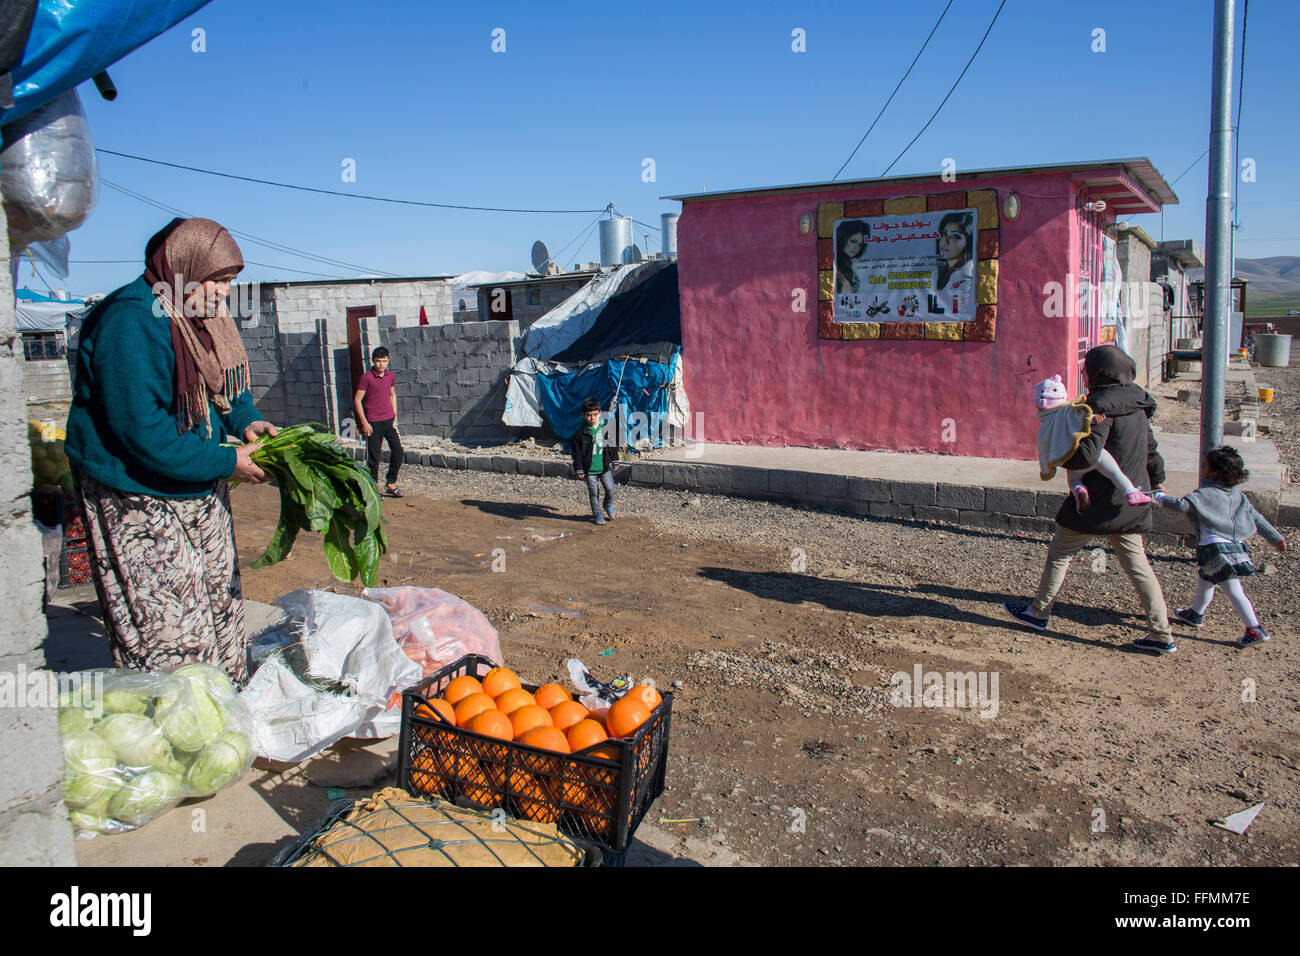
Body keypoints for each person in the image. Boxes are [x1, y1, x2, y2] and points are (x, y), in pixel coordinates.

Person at [64, 217, 276, 684]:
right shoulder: (131, 320)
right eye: (217, 281)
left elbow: (226, 388)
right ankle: (178, 718)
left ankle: (226, 697)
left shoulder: (202, 316)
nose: (224, 293)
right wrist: (226, 461)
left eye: (230, 282)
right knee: (169, 620)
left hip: (191, 474)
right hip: (136, 491)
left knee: (219, 598)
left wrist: (247, 422)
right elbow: (143, 435)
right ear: (183, 269)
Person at [1005, 345, 1176, 655]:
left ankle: (1038, 613)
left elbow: (1087, 453)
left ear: (1099, 373)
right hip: (1131, 499)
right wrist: (1159, 480)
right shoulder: (1138, 403)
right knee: (1139, 567)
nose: (1083, 374)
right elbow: (1151, 450)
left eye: (1086, 370)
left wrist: (1063, 455)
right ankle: (1161, 633)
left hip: (1096, 500)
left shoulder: (1100, 407)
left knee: (1060, 552)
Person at [1154, 447, 1288, 648]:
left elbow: (1182, 506)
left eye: (1205, 465)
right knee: (1206, 578)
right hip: (1234, 547)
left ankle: (1254, 628)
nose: (1202, 468)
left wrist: (1159, 497)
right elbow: (1257, 518)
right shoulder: (1238, 496)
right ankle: (1196, 613)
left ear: (1214, 473)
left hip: (1216, 549)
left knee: (1233, 588)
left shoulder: (1204, 494)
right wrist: (1275, 538)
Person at [1033, 373, 1153, 509]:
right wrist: (1093, 417)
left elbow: (1044, 441)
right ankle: (1130, 491)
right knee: (1114, 473)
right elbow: (1080, 414)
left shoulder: (1045, 418)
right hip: (1095, 456)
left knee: (1073, 480)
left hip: (1071, 457)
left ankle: (1079, 489)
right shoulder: (1067, 410)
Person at [354, 346, 404, 497]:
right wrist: (364, 423)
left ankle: (390, 482)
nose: (381, 364)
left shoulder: (390, 376)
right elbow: (357, 400)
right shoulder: (366, 377)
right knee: (374, 458)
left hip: (389, 421)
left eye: (384, 361)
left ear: (388, 361)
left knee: (398, 451)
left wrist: (394, 415)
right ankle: (373, 488)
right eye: (378, 361)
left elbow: (392, 395)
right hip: (373, 423)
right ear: (373, 361)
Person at [572, 396, 620, 525]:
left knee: (610, 488)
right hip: (589, 470)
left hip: (604, 467)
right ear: (583, 415)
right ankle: (597, 514)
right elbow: (576, 454)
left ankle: (608, 505)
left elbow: (612, 444)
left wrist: (615, 459)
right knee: (594, 493)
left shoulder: (605, 428)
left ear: (600, 413)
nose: (592, 418)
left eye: (595, 414)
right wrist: (579, 468)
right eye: (588, 415)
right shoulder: (579, 434)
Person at [935, 211, 974, 301]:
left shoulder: (967, 277)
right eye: (944, 234)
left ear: (968, 242)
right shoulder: (938, 272)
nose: (946, 240)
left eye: (955, 236)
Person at [835, 220, 870, 295]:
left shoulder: (848, 266)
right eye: (853, 241)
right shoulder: (835, 264)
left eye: (860, 245)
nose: (856, 248)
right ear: (843, 237)